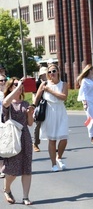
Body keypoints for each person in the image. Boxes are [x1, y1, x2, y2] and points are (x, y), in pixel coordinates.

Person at [2, 77, 35, 205]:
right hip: (11, 136)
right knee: (12, 170)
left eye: (21, 84)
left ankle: (26, 197)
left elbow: (30, 123)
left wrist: (30, 114)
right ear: (10, 87)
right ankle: (7, 189)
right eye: (15, 84)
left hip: (24, 136)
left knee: (26, 168)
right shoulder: (8, 104)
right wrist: (16, 88)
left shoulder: (25, 103)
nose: (19, 86)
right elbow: (5, 102)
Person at [34, 64, 69, 172]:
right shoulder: (44, 84)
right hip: (49, 111)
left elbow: (64, 97)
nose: (51, 73)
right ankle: (53, 164)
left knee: (64, 138)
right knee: (52, 139)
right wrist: (33, 109)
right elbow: (37, 98)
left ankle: (59, 157)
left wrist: (50, 91)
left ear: (58, 71)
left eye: (53, 71)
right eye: (49, 72)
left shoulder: (63, 84)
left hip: (60, 111)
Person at [32, 66, 48, 152]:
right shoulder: (37, 83)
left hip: (49, 105)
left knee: (50, 124)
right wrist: (34, 106)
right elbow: (34, 95)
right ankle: (35, 143)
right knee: (38, 124)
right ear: (40, 75)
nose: (45, 75)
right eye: (43, 74)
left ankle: (52, 143)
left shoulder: (50, 82)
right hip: (39, 106)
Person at [0, 73, 7, 179]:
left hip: (7, 122)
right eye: (0, 80)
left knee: (6, 145)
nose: (3, 82)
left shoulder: (8, 93)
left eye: (4, 80)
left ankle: (4, 168)